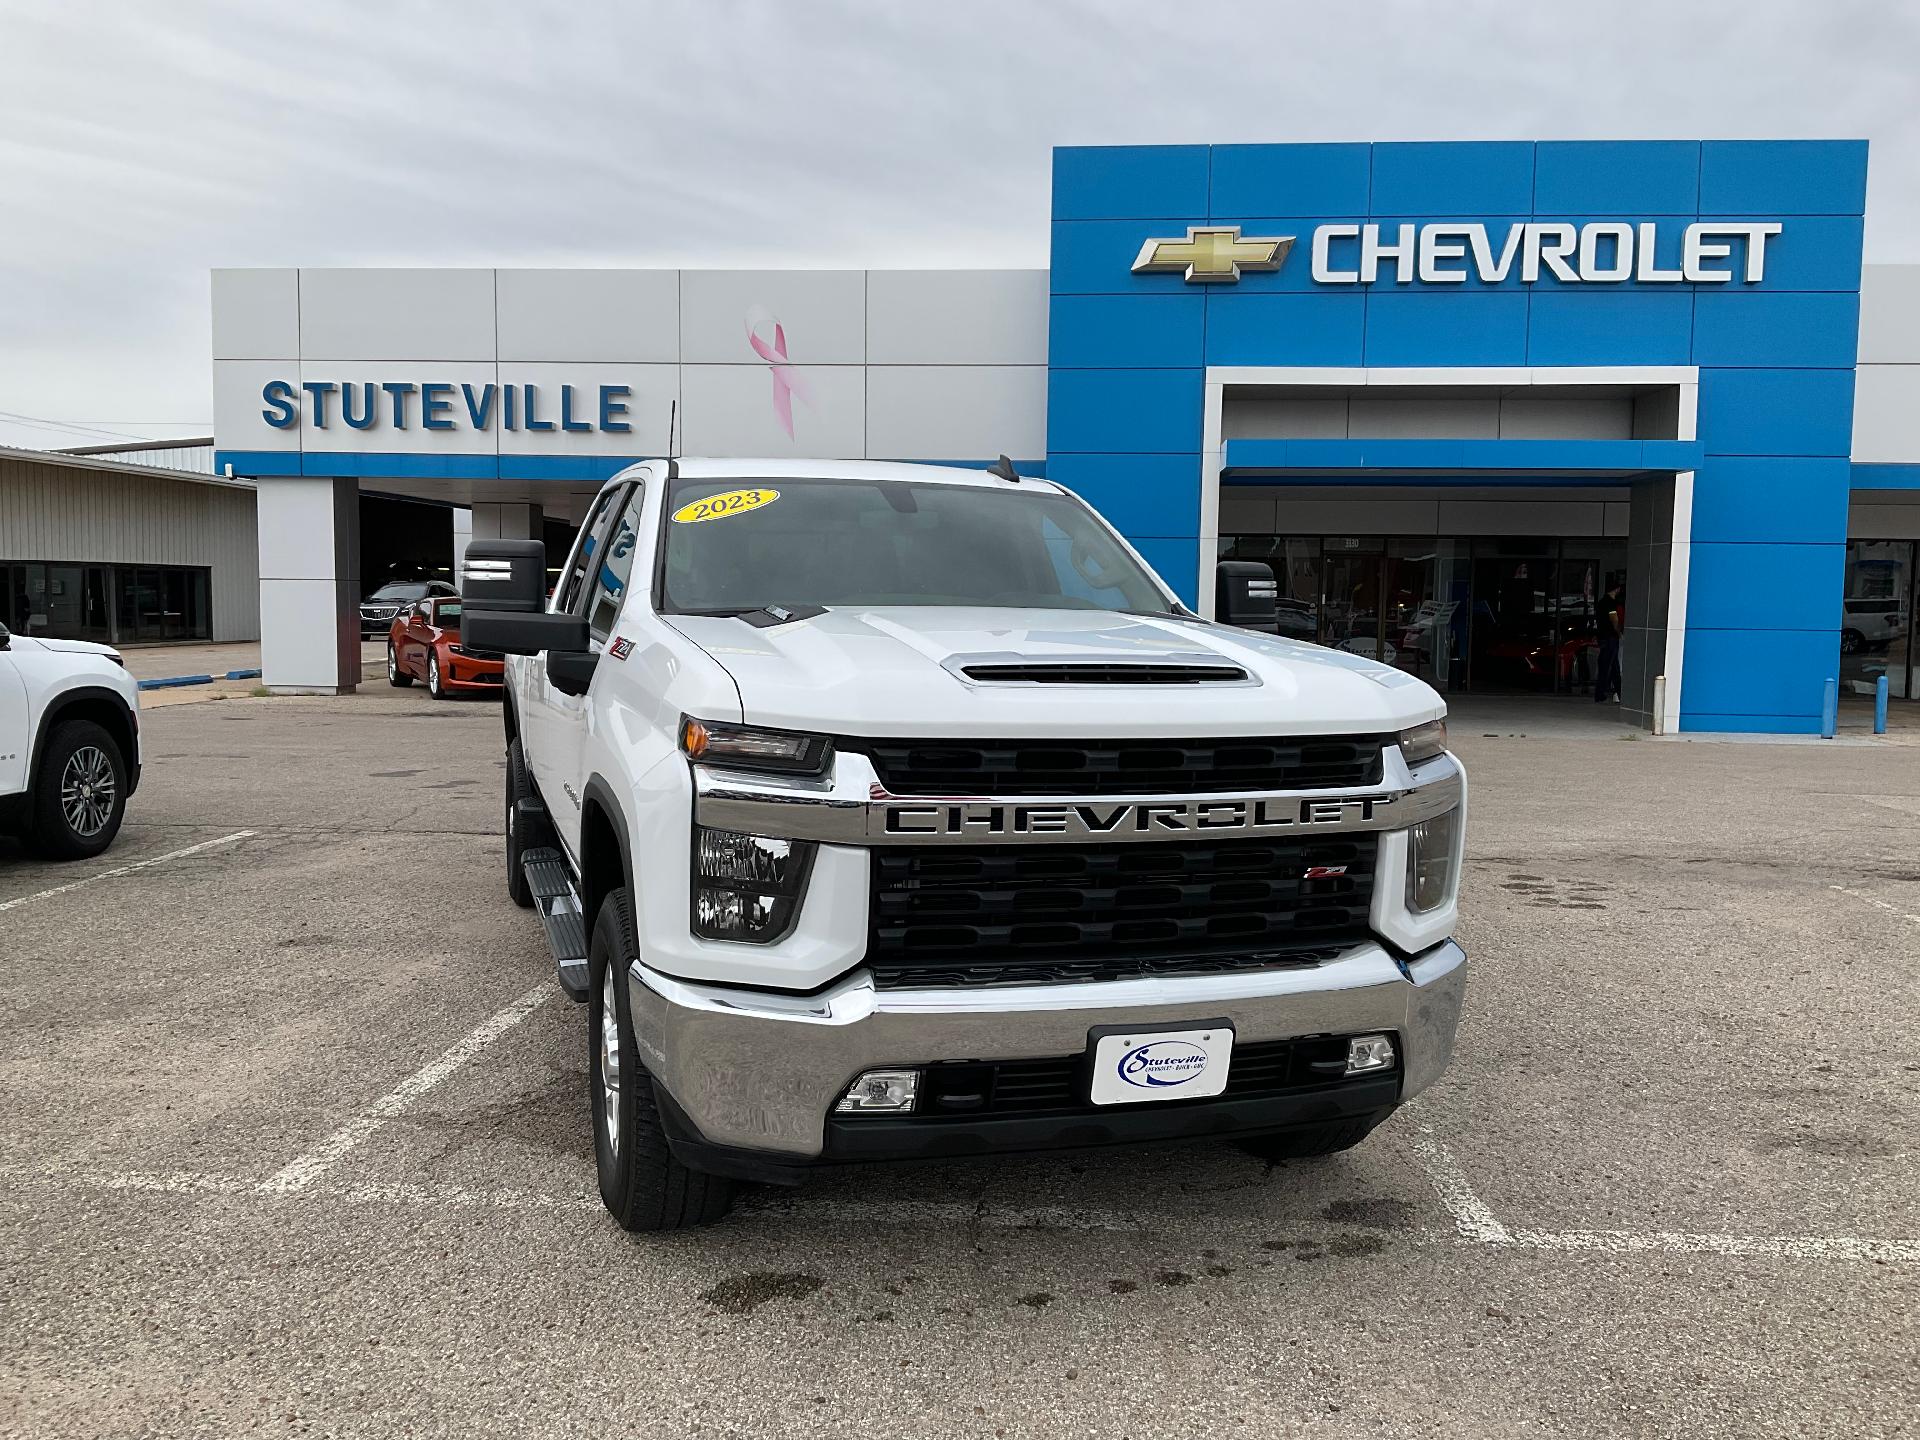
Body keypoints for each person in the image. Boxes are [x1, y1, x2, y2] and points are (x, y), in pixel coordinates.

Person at [1595, 579, 1625, 703]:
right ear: (1616, 589)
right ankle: (1600, 694)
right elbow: (1614, 620)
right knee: (1607, 666)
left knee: (1612, 667)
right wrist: (1619, 633)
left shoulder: (1601, 602)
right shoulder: (1611, 603)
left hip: (1602, 637)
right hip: (1610, 638)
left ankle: (1620, 692)